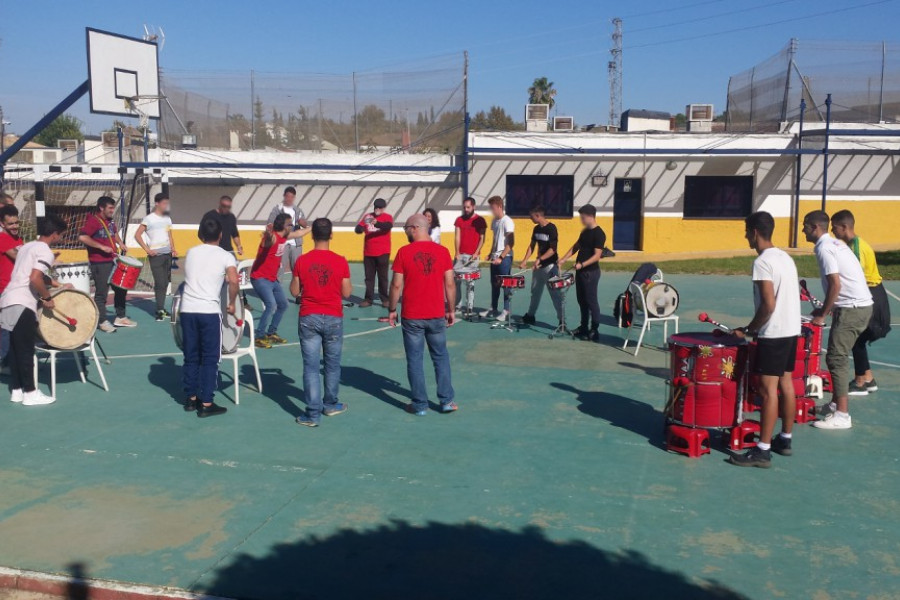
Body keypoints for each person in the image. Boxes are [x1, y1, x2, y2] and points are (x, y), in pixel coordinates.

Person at [729, 212, 801, 468]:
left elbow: (769, 304)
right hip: (792, 329)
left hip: (774, 333)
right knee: (786, 384)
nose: (746, 236)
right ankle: (785, 438)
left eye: (747, 231)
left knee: (767, 391)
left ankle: (763, 450)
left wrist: (749, 330)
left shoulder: (762, 262)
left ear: (755, 232)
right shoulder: (785, 257)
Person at [803, 210, 873, 430]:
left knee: (836, 357)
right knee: (837, 356)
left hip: (853, 309)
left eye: (805, 225)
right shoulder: (835, 244)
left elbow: (835, 284)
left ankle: (842, 415)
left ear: (815, 227)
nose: (802, 229)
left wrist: (822, 314)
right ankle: (835, 404)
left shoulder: (825, 248)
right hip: (855, 306)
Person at [388, 214, 457, 416]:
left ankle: (420, 404)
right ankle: (446, 401)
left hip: (413, 315)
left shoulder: (404, 252)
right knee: (440, 357)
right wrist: (451, 309)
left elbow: (396, 285)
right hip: (435, 314)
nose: (406, 233)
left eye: (406, 229)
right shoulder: (443, 252)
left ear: (415, 228)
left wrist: (392, 309)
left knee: (415, 359)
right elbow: (450, 284)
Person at [0, 214, 69, 406]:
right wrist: (47, 298)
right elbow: (35, 278)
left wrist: (59, 284)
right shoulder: (45, 251)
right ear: (54, 234)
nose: (61, 239)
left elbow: (31, 274)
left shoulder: (26, 246)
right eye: (61, 235)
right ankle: (30, 393)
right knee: (27, 350)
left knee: (14, 349)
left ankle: (16, 391)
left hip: (6, 301)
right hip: (22, 303)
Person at [290, 218, 352, 428]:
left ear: (312, 235)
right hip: (333, 315)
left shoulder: (302, 261)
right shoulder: (340, 261)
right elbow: (347, 292)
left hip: (309, 316)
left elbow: (294, 291)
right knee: (332, 365)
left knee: (311, 367)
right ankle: (331, 404)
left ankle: (312, 413)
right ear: (331, 235)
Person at [180, 217, 239, 418]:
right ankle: (206, 402)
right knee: (210, 358)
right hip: (208, 312)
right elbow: (233, 279)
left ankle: (190, 399)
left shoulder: (191, 252)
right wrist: (231, 302)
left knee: (191, 355)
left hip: (187, 310)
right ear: (221, 235)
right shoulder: (225, 256)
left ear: (201, 234)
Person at [830, 210, 891, 396]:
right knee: (859, 339)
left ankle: (859, 381)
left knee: (855, 337)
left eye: (835, 228)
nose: (833, 232)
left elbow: (854, 278)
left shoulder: (856, 247)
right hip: (873, 293)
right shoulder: (855, 244)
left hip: (871, 296)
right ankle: (868, 379)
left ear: (845, 227)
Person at [250, 213, 309, 348]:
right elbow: (267, 242)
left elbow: (299, 233)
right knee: (271, 305)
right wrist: (267, 234)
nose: (292, 226)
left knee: (283, 305)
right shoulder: (272, 238)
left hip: (272, 279)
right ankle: (259, 336)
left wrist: (313, 227)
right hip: (260, 278)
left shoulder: (284, 237)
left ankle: (271, 333)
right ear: (283, 225)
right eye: (290, 224)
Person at [78, 196, 135, 332]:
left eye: (113, 208)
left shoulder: (110, 222)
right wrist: (101, 247)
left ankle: (120, 317)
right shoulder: (93, 221)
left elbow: (114, 233)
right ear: (101, 208)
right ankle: (102, 321)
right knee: (102, 293)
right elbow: (82, 237)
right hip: (100, 263)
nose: (112, 210)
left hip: (113, 261)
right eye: (110, 208)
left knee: (121, 288)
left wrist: (120, 243)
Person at [559, 205, 606, 342]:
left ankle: (594, 329)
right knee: (582, 301)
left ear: (590, 216)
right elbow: (576, 246)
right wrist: (563, 259)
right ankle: (583, 327)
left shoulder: (599, 233)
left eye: (583, 217)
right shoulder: (585, 232)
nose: (581, 220)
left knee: (591, 301)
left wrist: (582, 264)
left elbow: (597, 255)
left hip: (590, 273)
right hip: (581, 272)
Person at [200, 195, 249, 309]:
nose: (226, 209)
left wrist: (239, 245)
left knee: (236, 277)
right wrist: (209, 246)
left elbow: (235, 234)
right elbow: (200, 234)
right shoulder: (209, 216)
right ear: (220, 204)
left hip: (229, 252)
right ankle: (212, 300)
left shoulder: (231, 217)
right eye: (224, 206)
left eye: (229, 207)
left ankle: (243, 301)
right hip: (214, 252)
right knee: (215, 276)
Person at [134, 192, 177, 321]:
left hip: (168, 254)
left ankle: (162, 308)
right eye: (164, 203)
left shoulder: (167, 219)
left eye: (167, 203)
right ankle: (159, 310)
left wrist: (173, 249)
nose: (166, 206)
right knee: (159, 282)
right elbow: (137, 235)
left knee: (165, 282)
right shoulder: (149, 219)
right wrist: (147, 250)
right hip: (156, 255)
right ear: (157, 203)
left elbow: (169, 235)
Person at [518, 206, 563, 326]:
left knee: (555, 295)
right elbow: (532, 245)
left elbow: (553, 250)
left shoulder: (551, 228)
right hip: (538, 269)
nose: (530, 218)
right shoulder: (536, 229)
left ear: (538, 215)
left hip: (550, 267)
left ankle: (562, 321)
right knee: (535, 293)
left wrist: (539, 259)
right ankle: (530, 316)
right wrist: (524, 260)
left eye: (531, 216)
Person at [480, 196, 515, 322]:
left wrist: (501, 257)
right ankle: (493, 309)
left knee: (505, 284)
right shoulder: (494, 222)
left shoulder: (507, 221)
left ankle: (506, 310)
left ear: (499, 207)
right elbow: (495, 239)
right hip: (495, 257)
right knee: (494, 284)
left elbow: (511, 243)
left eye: (493, 208)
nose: (492, 211)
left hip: (504, 258)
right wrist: (490, 253)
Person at [355, 198, 393, 308]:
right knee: (369, 278)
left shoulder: (387, 217)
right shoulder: (368, 216)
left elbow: (388, 226)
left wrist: (377, 223)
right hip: (368, 252)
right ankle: (368, 299)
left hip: (383, 252)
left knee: (383, 277)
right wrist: (360, 229)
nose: (377, 209)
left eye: (380, 207)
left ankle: (385, 299)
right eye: (376, 207)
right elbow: (359, 227)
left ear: (383, 208)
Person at [453, 197, 487, 310]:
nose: (466, 209)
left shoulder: (480, 220)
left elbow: (482, 238)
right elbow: (457, 236)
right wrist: (457, 252)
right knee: (455, 281)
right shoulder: (459, 220)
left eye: (468, 207)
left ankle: (469, 307)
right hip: (460, 255)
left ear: (473, 207)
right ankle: (457, 305)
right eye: (464, 207)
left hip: (473, 257)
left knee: (470, 282)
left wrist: (476, 253)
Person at [0, 205, 23, 368]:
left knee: (14, 328)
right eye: (10, 224)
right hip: (4, 290)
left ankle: (9, 361)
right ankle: (4, 362)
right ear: (2, 224)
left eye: (16, 223)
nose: (14, 226)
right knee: (6, 329)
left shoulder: (18, 238)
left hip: (15, 290)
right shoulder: (2, 239)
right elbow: (19, 258)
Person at [267, 186, 308, 276]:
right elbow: (270, 223)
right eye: (288, 196)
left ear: (294, 198)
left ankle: (298, 289)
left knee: (298, 270)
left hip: (296, 244)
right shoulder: (277, 209)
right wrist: (274, 231)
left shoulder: (298, 210)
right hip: (282, 243)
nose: (289, 199)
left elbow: (305, 224)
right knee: (279, 269)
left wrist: (302, 223)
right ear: (284, 196)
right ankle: (277, 288)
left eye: (292, 197)